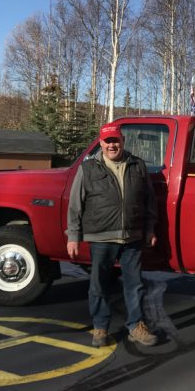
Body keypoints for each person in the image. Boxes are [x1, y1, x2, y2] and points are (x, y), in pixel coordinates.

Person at [66, 122, 159, 348]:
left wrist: (149, 229)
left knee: (134, 285)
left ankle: (136, 326)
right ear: (101, 143)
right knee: (99, 284)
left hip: (132, 238)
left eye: (115, 140)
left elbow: (150, 201)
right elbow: (75, 203)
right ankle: (100, 327)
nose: (112, 145)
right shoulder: (88, 168)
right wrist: (73, 235)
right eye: (107, 141)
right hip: (101, 237)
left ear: (122, 141)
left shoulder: (138, 165)